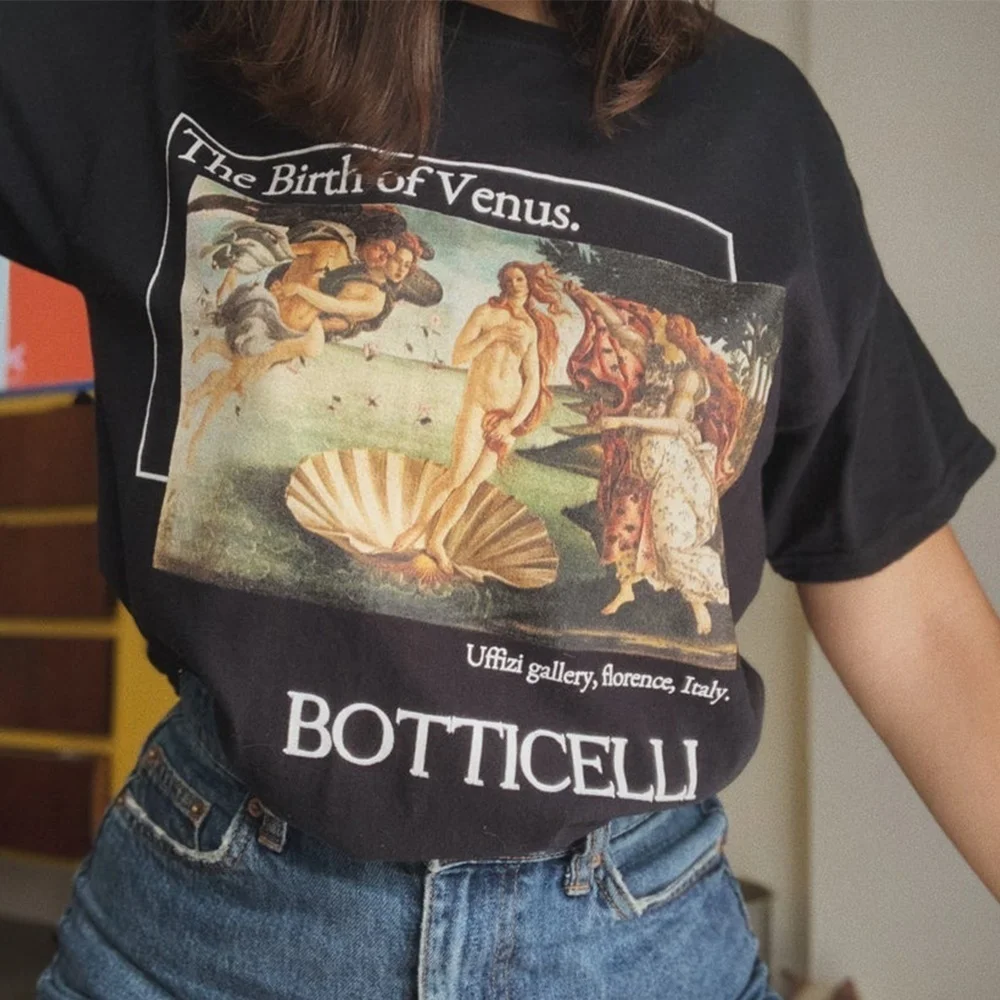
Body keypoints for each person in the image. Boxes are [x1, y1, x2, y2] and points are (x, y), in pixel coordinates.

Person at [0, 3, 996, 999]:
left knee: (489, 487)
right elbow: (470, 346)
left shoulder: (756, 124)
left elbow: (907, 606)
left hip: (632, 937)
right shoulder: (182, 38)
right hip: (212, 921)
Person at [392, 260, 564, 573]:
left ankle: (437, 541)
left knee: (472, 483)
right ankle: (418, 527)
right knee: (457, 474)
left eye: (520, 278)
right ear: (501, 284)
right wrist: (494, 334)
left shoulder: (531, 327)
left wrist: (511, 423)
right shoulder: (486, 313)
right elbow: (459, 355)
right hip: (477, 406)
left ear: (529, 283)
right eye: (508, 279)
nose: (514, 284)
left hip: (506, 416)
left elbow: (532, 381)